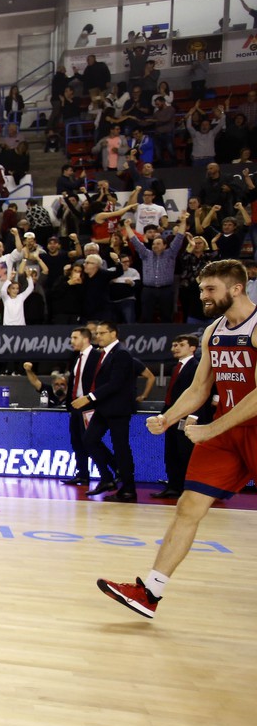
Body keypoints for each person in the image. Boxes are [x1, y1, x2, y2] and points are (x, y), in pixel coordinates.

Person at [98, 261, 257, 618]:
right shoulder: (213, 331)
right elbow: (201, 387)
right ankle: (149, 592)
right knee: (188, 506)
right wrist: (169, 418)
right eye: (201, 290)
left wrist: (212, 429)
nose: (203, 296)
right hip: (227, 431)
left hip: (242, 427)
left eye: (210, 289)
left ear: (236, 289)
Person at [71, 321, 138, 502]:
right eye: (97, 333)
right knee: (89, 440)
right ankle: (108, 477)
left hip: (117, 409)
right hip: (103, 408)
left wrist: (89, 397)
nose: (98, 336)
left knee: (121, 448)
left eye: (101, 333)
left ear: (113, 333)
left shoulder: (121, 354)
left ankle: (128, 489)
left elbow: (115, 383)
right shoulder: (105, 354)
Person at [153, 334, 208, 500]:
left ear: (192, 348)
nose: (175, 348)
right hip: (172, 416)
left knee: (185, 453)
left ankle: (188, 488)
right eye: (174, 345)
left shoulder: (197, 366)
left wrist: (193, 416)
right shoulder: (175, 367)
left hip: (189, 417)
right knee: (171, 452)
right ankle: (173, 486)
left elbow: (201, 392)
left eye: (180, 345)